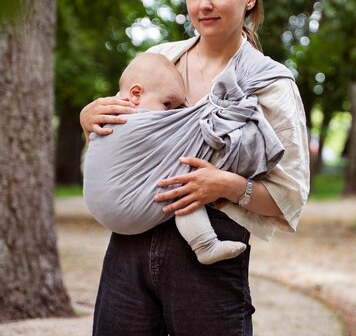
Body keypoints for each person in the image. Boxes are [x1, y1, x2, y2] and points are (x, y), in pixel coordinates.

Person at [79, 0, 310, 336]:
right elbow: (123, 139)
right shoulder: (158, 61)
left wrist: (227, 185)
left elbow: (291, 196)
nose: (203, 4)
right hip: (130, 250)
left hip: (209, 256)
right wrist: (88, 118)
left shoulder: (270, 85)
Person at [83, 50, 249, 264]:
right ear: (135, 94)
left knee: (181, 178)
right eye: (168, 105)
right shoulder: (130, 122)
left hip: (99, 206)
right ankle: (205, 244)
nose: (171, 114)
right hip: (128, 214)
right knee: (182, 178)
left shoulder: (111, 118)